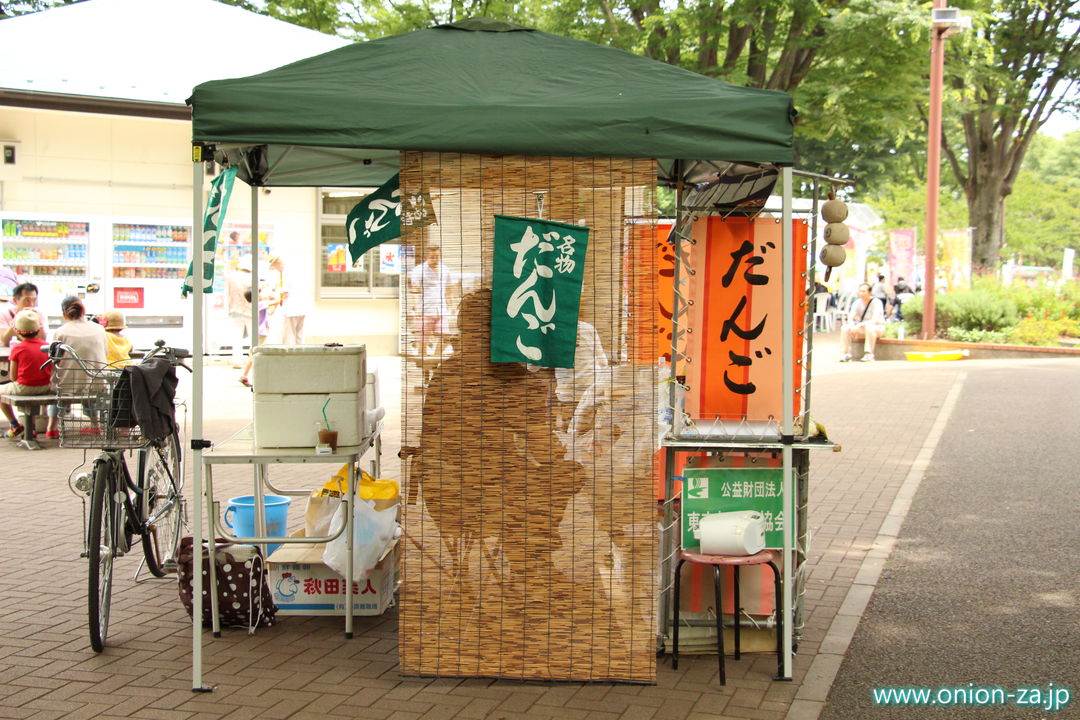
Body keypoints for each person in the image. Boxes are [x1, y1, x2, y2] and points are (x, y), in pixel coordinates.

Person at [1, 310, 52, 440]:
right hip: (45, 387)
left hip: (25, 387)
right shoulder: (46, 346)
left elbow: (13, 377)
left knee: (5, 391)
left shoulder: (18, 348)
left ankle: (15, 425)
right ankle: (32, 428)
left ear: (17, 331)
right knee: (30, 393)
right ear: (37, 329)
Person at [408, 243, 459, 355]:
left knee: (445, 337)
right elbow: (415, 291)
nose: (435, 259)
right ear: (426, 257)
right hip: (424, 309)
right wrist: (416, 308)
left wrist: (452, 305)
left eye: (437, 256)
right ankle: (425, 367)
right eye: (432, 257)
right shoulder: (418, 270)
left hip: (441, 310)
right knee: (422, 342)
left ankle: (434, 359)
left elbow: (448, 289)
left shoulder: (445, 269)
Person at [54, 296, 107, 394]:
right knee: (91, 403)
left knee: (57, 401)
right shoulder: (99, 329)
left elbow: (54, 360)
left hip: (66, 387)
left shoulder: (60, 332)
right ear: (83, 311)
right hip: (98, 385)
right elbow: (105, 353)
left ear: (64, 314)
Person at [839, 283, 886, 362]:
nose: (861, 293)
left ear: (870, 292)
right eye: (860, 291)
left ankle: (869, 354)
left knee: (870, 328)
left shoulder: (877, 302)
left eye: (863, 291)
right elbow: (850, 317)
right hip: (861, 328)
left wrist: (860, 324)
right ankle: (845, 353)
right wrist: (852, 325)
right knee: (845, 328)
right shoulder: (857, 302)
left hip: (877, 327)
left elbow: (874, 320)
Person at [269, 255, 305, 345]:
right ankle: (300, 355)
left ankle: (289, 356)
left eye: (274, 267)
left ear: (277, 264)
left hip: (291, 309)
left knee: (289, 336)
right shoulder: (295, 271)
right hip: (301, 308)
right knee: (299, 336)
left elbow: (285, 292)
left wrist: (273, 302)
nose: (276, 270)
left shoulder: (286, 273)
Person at [1, 282, 47, 347]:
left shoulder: (38, 314)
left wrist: (38, 322)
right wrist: (17, 319)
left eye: (34, 300)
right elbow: (4, 342)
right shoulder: (4, 314)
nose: (31, 304)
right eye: (27, 300)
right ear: (15, 300)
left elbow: (43, 340)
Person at [225, 263, 253, 368]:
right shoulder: (252, 277)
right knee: (253, 337)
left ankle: (237, 361)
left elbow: (227, 293)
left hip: (235, 309)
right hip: (250, 311)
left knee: (237, 336)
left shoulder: (232, 277)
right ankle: (253, 359)